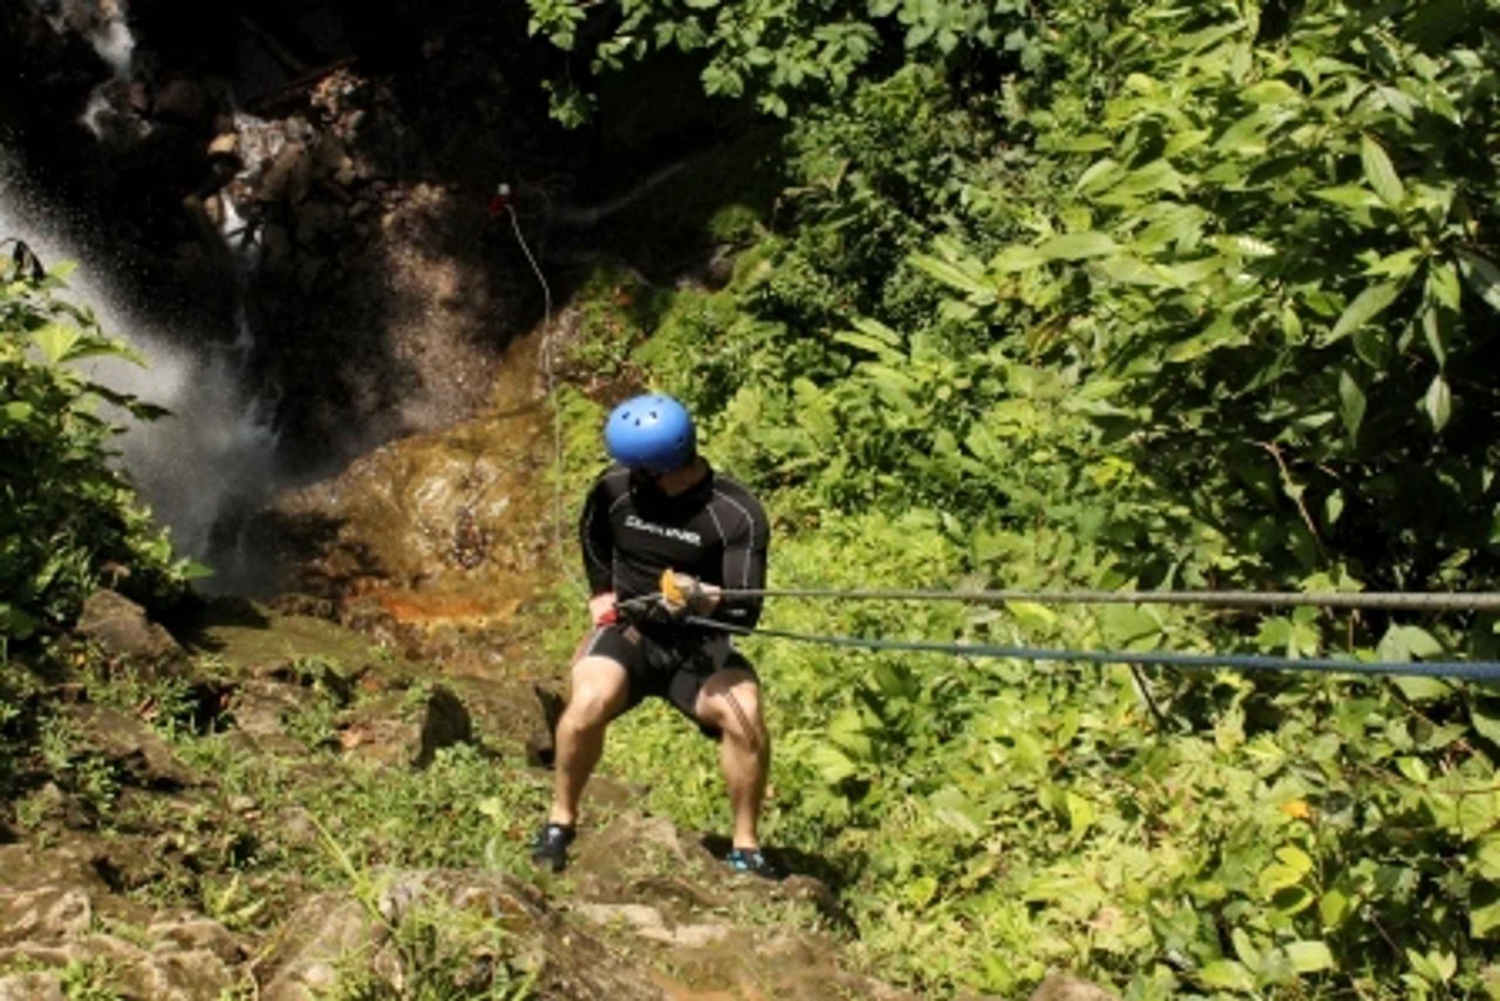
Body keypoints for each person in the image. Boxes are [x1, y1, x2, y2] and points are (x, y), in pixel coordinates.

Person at [532, 393, 775, 877]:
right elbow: (592, 536)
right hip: (632, 633)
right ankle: (561, 820)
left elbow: (746, 611)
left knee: (744, 716)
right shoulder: (614, 489)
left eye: (635, 466)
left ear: (659, 467)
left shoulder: (735, 514)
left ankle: (745, 845)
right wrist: (601, 591)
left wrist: (705, 598)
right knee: (586, 705)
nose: (626, 472)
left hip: (698, 648)